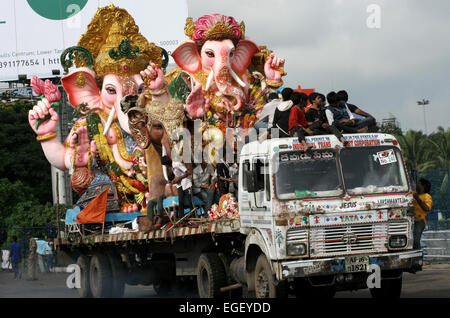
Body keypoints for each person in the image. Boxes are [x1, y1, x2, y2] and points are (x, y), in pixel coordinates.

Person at [413, 178, 433, 250]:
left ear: (423, 186)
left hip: (419, 220)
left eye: (419, 183)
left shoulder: (427, 196)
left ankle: (417, 256)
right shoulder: (413, 193)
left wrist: (418, 199)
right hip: (410, 220)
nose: (417, 185)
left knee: (416, 240)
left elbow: (427, 208)